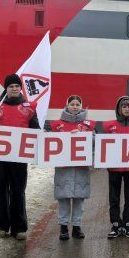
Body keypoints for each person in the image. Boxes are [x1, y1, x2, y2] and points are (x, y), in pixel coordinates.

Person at [0, 74, 41, 240]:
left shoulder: (29, 108)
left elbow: (36, 129)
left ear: (20, 88)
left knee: (18, 190)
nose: (14, 89)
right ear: (5, 89)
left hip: (19, 156)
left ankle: (18, 227)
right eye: (11, 86)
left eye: (16, 86)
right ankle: (0, 225)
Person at [45, 95, 95, 241]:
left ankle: (77, 227)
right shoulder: (57, 125)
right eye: (72, 104)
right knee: (64, 198)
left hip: (80, 168)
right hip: (64, 168)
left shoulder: (88, 125)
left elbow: (94, 142)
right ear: (67, 106)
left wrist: (83, 136)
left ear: (81, 106)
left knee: (79, 199)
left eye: (77, 104)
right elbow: (50, 143)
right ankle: (63, 227)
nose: (74, 106)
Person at [100, 95, 129, 239]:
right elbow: (104, 145)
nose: (127, 109)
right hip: (114, 168)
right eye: (124, 106)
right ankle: (115, 223)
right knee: (114, 197)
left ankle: (127, 223)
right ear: (119, 109)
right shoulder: (109, 125)